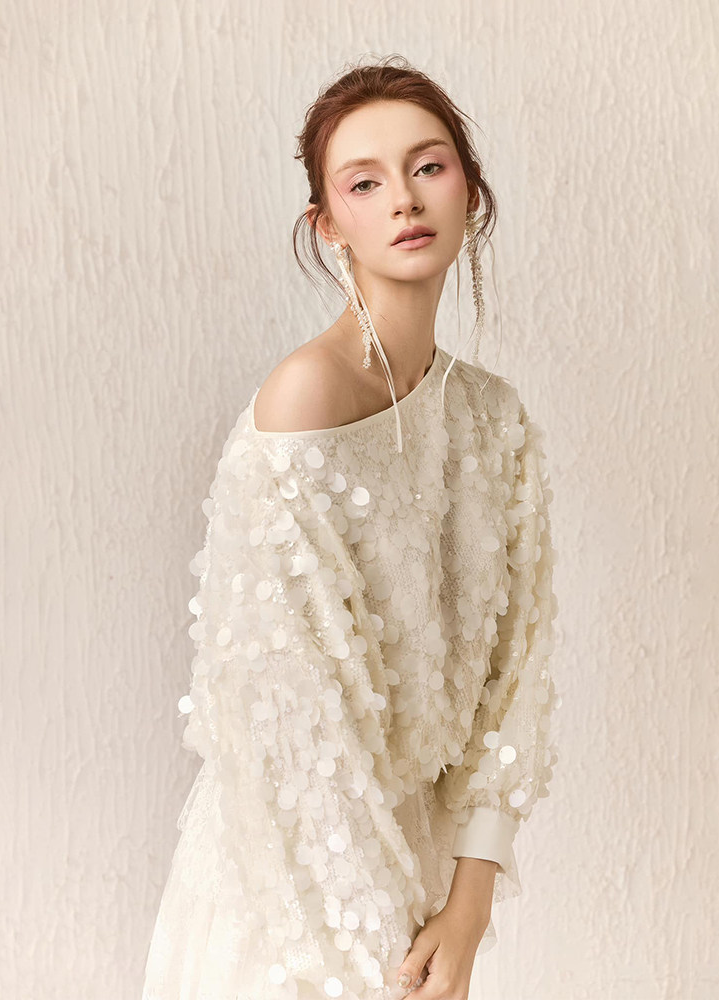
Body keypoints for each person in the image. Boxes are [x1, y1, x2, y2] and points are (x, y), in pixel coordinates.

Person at [142, 55, 560, 1000]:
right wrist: (378, 961)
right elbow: (287, 737)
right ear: (327, 224)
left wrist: (468, 908)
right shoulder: (306, 401)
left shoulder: (493, 419)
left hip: (422, 888)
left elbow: (518, 675)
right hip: (285, 895)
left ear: (469, 189)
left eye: (428, 166)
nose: (405, 199)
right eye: (364, 183)